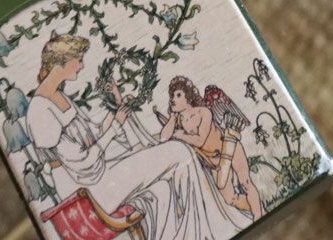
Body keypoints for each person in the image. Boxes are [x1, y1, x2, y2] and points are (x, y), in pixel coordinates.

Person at [26, 33, 247, 240]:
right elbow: (83, 163)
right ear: (62, 62)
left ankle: (190, 232)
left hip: (97, 178)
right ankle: (210, 229)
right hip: (87, 195)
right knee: (179, 151)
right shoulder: (39, 110)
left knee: (162, 189)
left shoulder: (58, 95)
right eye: (79, 60)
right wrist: (115, 127)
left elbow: (92, 135)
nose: (82, 65)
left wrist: (116, 114)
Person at [160, 77, 263, 220]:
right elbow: (163, 138)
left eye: (178, 95)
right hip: (214, 163)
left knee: (245, 182)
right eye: (172, 96)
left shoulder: (203, 112)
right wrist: (172, 117)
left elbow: (200, 140)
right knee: (230, 199)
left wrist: (180, 135)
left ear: (188, 97)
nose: (173, 99)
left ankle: (258, 215)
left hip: (229, 147)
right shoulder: (179, 121)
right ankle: (259, 211)